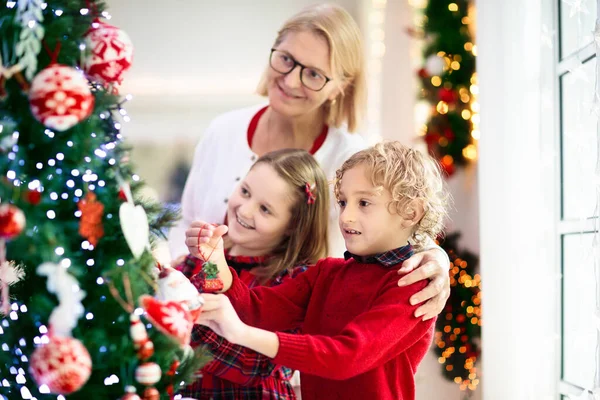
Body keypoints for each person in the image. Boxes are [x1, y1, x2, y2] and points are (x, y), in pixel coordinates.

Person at [167, 3, 450, 321]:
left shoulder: (350, 158)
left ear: (340, 85)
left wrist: (438, 259)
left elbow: (401, 233)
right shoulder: (224, 130)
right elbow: (187, 219)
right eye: (286, 60)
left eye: (313, 74)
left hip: (288, 341)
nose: (290, 81)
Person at [188, 142, 450, 400]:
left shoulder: (413, 285)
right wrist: (214, 261)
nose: (346, 216)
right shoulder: (327, 273)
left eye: (364, 203)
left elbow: (346, 357)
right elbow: (253, 310)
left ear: (411, 212)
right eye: (344, 201)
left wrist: (241, 334)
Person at [175, 149, 330, 399]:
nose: (245, 211)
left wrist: (180, 320)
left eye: (265, 209)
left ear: (292, 226)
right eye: (245, 191)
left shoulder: (297, 281)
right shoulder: (200, 256)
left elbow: (252, 364)